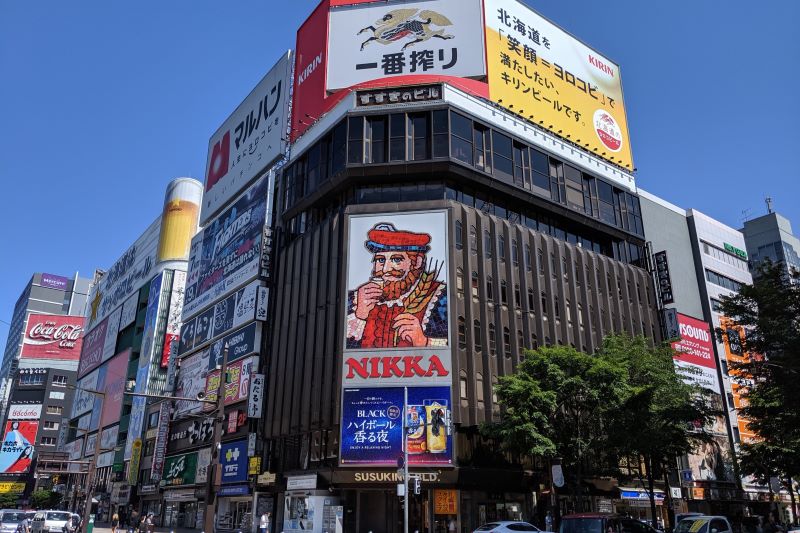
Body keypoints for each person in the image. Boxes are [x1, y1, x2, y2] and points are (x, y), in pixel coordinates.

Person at [346, 223, 447, 349]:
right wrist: (359, 316)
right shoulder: (354, 299)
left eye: (397, 259)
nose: (386, 269)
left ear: (417, 262)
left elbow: (460, 345)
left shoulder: (441, 298)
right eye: (381, 260)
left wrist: (424, 341)